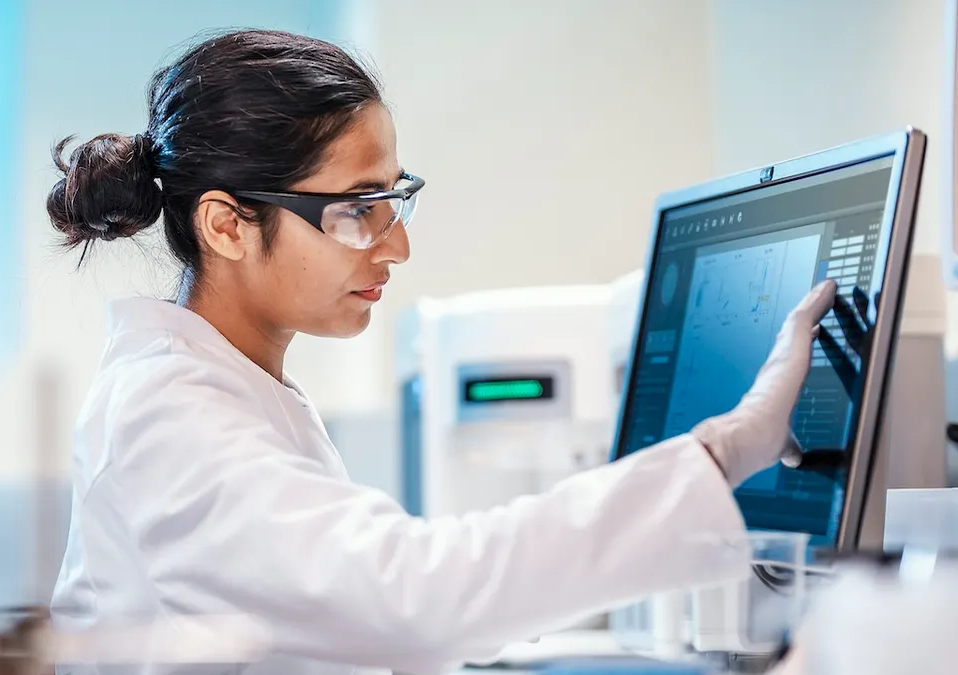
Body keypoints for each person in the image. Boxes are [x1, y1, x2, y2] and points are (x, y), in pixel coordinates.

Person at [47, 29, 836, 675]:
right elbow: (411, 596)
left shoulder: (234, 392)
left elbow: (380, 610)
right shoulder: (167, 414)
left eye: (395, 198)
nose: (398, 246)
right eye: (359, 209)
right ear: (227, 226)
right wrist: (722, 450)